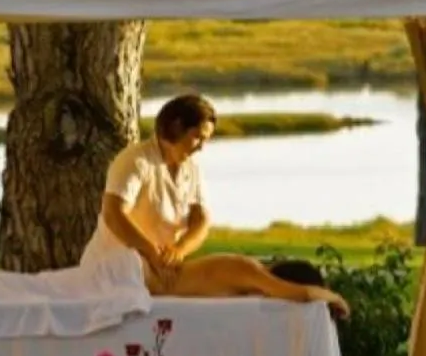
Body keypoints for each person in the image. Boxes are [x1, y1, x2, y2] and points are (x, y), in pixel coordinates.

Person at [79, 92, 349, 318]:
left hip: (163, 268)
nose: (201, 147)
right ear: (174, 127)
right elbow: (114, 214)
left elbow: (201, 220)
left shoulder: (191, 170)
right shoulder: (135, 161)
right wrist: (335, 298)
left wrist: (179, 249)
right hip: (122, 264)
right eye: (198, 137)